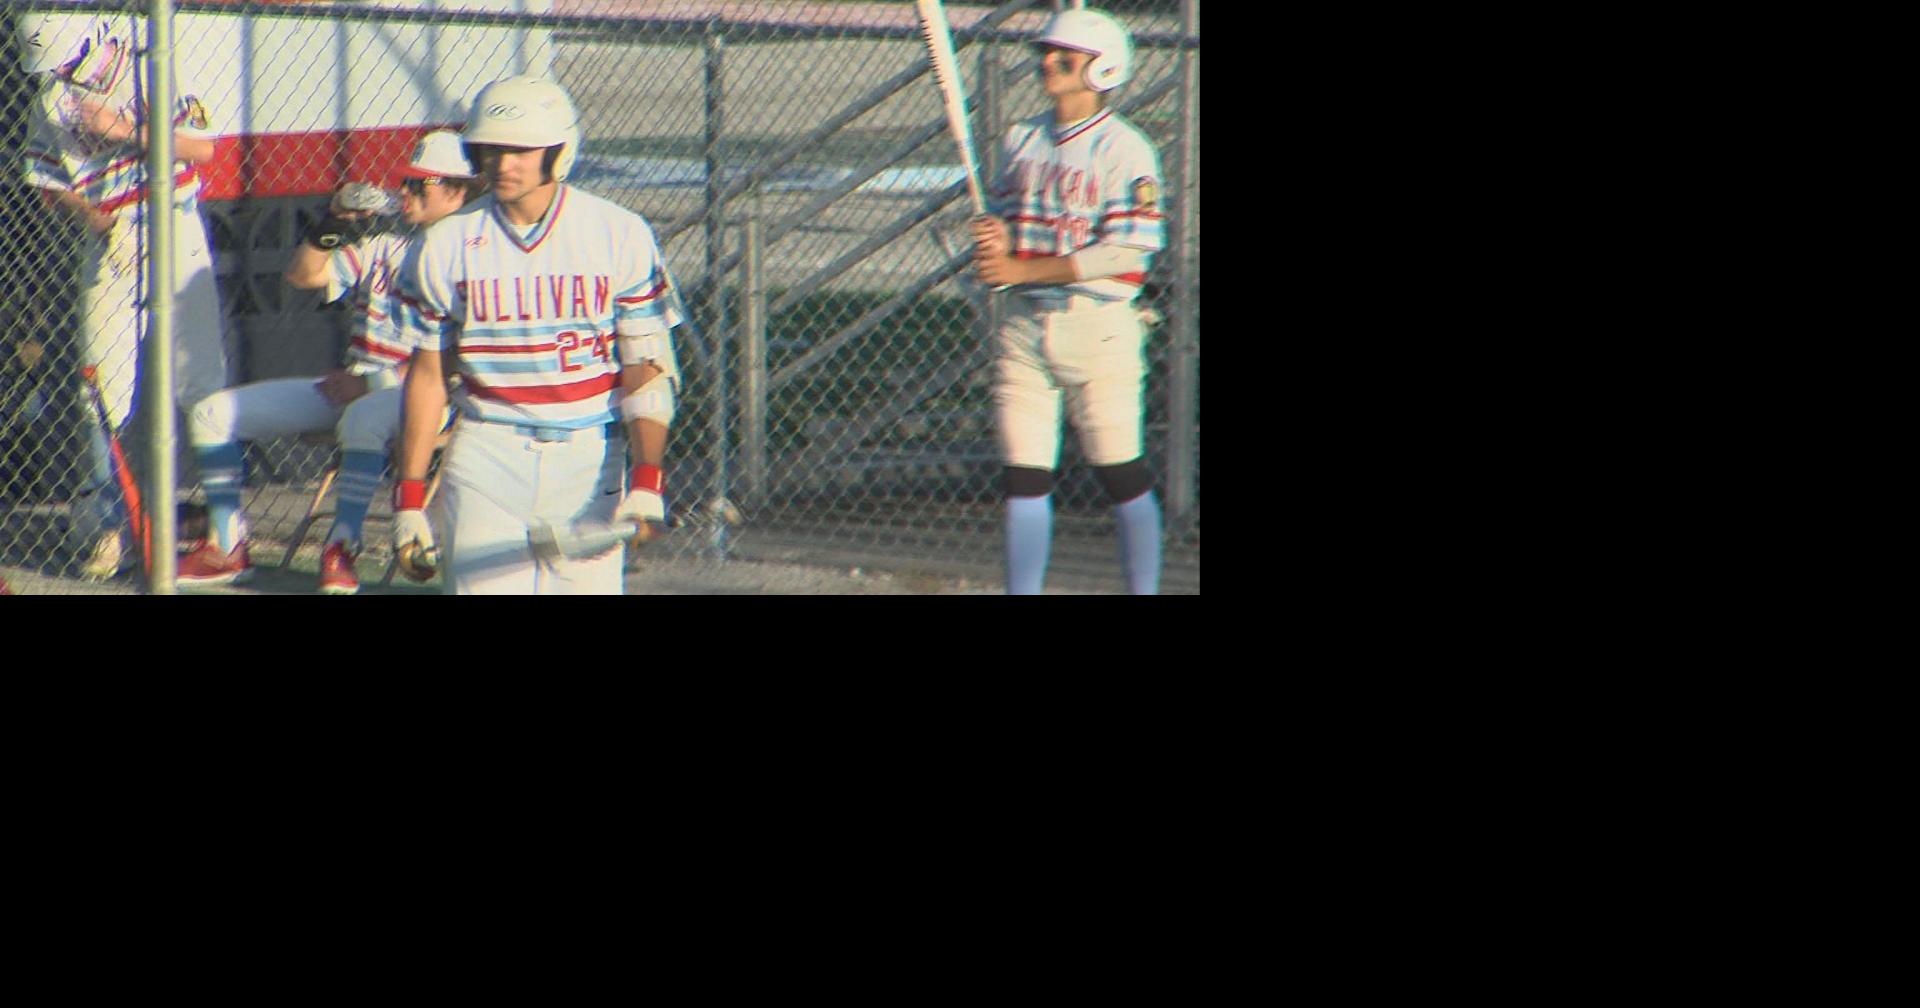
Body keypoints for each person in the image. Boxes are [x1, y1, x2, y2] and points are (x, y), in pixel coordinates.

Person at [390, 75, 684, 594]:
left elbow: (648, 368)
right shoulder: (444, 244)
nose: (504, 164)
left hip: (590, 459)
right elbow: (429, 378)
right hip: (486, 452)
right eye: (492, 149)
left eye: (522, 151)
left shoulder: (619, 232)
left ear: (560, 151)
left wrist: (646, 481)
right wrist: (410, 498)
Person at [173, 131, 482, 592]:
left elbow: (456, 362)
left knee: (362, 416)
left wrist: (371, 385)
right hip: (355, 385)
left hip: (425, 397)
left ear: (459, 192)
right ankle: (226, 544)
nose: (406, 193)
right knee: (210, 413)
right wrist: (332, 219)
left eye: (422, 185)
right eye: (406, 183)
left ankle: (343, 545)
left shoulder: (475, 259)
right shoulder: (387, 245)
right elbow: (304, 275)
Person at [14, 12, 230, 579]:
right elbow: (45, 182)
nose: (61, 73)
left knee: (202, 380)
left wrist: (122, 131)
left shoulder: (150, 62)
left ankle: (230, 533)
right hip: (110, 234)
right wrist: (89, 215)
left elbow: (204, 149)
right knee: (99, 389)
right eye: (54, 66)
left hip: (175, 221)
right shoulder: (52, 95)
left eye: (66, 61)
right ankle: (116, 528)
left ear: (90, 41)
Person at [969, 7, 1166, 596]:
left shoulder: (1125, 149)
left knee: (1121, 476)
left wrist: (1023, 266)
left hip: (1099, 328)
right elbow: (1006, 222)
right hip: (1024, 325)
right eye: (1043, 55)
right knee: (1023, 480)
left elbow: (1128, 252)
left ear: (1101, 69)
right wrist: (995, 242)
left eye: (1064, 57)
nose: (1047, 65)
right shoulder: (1020, 139)